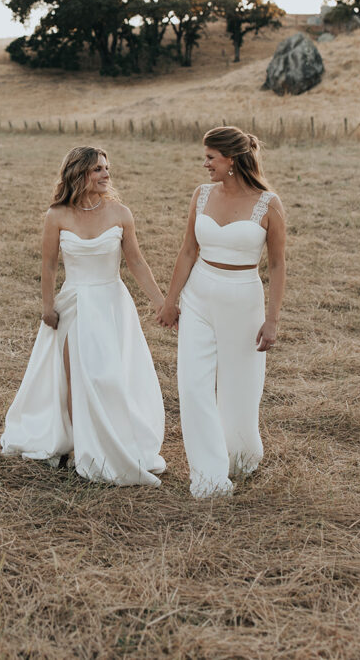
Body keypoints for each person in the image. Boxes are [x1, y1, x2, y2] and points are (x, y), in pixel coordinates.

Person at [1, 146, 167, 486]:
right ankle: (81, 447)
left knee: (109, 376)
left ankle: (112, 439)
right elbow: (49, 265)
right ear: (79, 174)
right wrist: (48, 306)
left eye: (106, 168)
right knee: (77, 375)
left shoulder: (120, 213)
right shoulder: (57, 215)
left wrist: (161, 303)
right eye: (98, 169)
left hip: (111, 304)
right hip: (74, 304)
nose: (106, 174)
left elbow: (136, 262)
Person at [157, 126, 285, 498]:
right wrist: (171, 301)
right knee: (192, 386)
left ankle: (238, 455)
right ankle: (209, 475)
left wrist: (272, 320)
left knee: (239, 389)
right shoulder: (201, 195)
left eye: (211, 157)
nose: (205, 164)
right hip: (198, 297)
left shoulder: (268, 203)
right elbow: (187, 251)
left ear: (231, 159)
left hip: (243, 301)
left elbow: (278, 265)